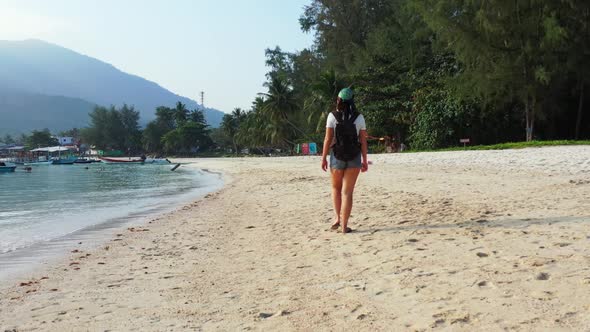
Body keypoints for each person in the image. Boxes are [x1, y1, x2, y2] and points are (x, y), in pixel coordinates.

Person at [321, 87, 368, 234]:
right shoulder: (359, 117)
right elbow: (363, 141)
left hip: (337, 156)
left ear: (338, 100)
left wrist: (323, 158)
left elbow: (328, 139)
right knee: (347, 192)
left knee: (336, 188)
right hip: (354, 156)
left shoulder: (332, 116)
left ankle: (337, 217)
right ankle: (344, 226)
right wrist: (365, 160)